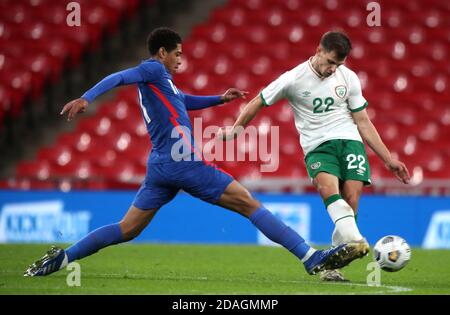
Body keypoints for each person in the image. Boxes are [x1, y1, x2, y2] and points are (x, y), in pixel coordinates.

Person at [24, 28, 366, 278]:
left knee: (128, 228)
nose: (180, 59)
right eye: (177, 53)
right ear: (162, 53)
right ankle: (310, 257)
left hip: (160, 165)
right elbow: (119, 77)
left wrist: (219, 99)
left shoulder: (164, 83)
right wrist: (87, 96)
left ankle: (63, 258)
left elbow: (183, 102)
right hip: (181, 161)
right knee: (249, 204)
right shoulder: (152, 70)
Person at [218, 31, 410, 282]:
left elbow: (362, 121)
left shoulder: (349, 77)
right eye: (330, 62)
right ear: (319, 50)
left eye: (338, 64)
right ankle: (356, 241)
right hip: (318, 145)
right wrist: (235, 131)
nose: (333, 69)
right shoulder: (293, 79)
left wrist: (388, 159)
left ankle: (332, 267)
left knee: (351, 200)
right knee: (329, 191)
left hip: (350, 142)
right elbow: (258, 101)